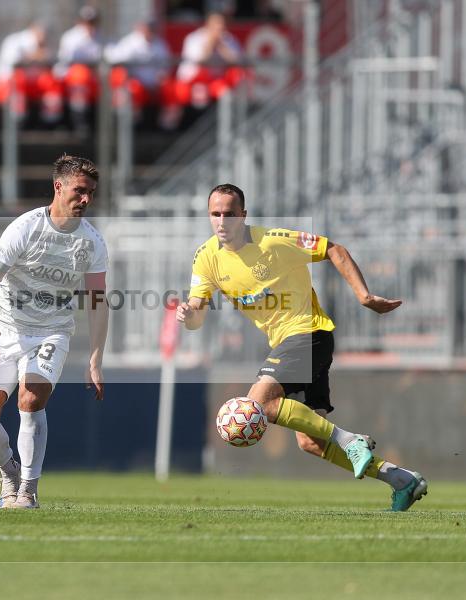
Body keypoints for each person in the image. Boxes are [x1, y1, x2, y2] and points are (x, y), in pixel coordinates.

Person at [177, 183, 428, 511]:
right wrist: (189, 315)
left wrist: (364, 296)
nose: (222, 221)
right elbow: (197, 311)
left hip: (308, 333)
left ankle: (350, 440)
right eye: (215, 214)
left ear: (244, 215)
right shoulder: (206, 257)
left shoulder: (274, 241)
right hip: (289, 342)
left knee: (260, 404)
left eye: (229, 214)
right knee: (310, 440)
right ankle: (401, 480)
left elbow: (333, 249)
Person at [0, 154, 109, 509]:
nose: (86, 199)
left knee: (30, 400)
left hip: (51, 333)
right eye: (79, 191)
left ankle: (27, 489)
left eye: (91, 192)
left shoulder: (92, 242)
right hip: (5, 329)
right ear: (58, 187)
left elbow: (98, 302)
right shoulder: (25, 227)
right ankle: (9, 471)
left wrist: (94, 359)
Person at [106, 19, 181, 129]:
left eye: (151, 29)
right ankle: (132, 126)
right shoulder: (130, 42)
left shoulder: (159, 43)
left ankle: (167, 126)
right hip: (136, 82)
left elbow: (165, 68)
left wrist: (160, 78)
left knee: (173, 89)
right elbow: (116, 62)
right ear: (140, 28)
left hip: (155, 83)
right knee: (133, 89)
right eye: (146, 29)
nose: (149, 32)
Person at [0, 21, 63, 125]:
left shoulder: (43, 45)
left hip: (31, 87)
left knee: (51, 80)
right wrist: (35, 56)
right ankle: (17, 121)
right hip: (6, 87)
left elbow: (55, 67)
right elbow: (13, 64)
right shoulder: (15, 41)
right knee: (18, 79)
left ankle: (51, 119)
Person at [176, 12, 245, 109]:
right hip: (193, 81)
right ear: (208, 25)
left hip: (216, 80)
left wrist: (221, 46)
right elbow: (198, 62)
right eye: (216, 25)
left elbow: (237, 61)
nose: (219, 28)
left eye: (222, 25)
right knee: (199, 96)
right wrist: (210, 44)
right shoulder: (194, 38)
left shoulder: (228, 39)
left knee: (227, 92)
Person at [54, 5, 104, 130]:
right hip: (70, 78)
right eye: (86, 22)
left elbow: (109, 56)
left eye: (92, 22)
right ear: (79, 22)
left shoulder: (101, 37)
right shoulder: (71, 37)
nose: (89, 26)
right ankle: (79, 121)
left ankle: (110, 121)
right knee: (80, 74)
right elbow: (66, 63)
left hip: (93, 79)